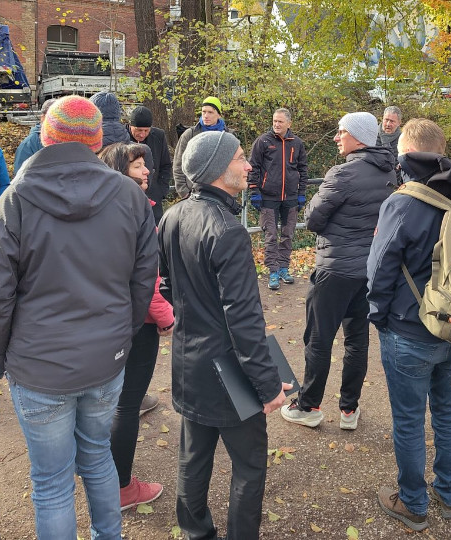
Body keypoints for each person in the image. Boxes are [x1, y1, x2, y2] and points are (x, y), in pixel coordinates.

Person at [0, 95, 159, 538]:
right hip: (105, 357)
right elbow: (143, 280)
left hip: (38, 364)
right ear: (97, 141)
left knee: (52, 480)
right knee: (97, 456)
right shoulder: (130, 196)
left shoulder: (17, 198)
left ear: (45, 136)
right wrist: (122, 337)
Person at [158, 131, 290, 540]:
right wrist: (268, 386)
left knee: (193, 455)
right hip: (228, 372)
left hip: (188, 363)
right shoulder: (228, 230)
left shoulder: (173, 215)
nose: (249, 165)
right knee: (249, 465)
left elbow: (166, 286)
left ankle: (195, 532)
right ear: (217, 169)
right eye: (239, 158)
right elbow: (244, 320)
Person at [367, 118, 451, 531]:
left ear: (406, 153)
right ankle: (450, 495)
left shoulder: (403, 202)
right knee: (448, 411)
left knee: (409, 419)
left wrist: (378, 314)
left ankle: (413, 502)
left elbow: (380, 267)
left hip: (410, 328)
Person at [280, 112, 395, 430]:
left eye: (341, 131)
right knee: (357, 340)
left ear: (357, 137)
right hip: (367, 271)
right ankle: (349, 409)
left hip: (334, 270)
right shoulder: (389, 172)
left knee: (319, 339)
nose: (336, 137)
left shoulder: (342, 174)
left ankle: (309, 406)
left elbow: (313, 218)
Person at [98, 142, 174, 508]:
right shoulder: (134, 210)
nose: (147, 171)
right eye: (138, 166)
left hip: (105, 319)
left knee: (106, 401)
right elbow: (144, 277)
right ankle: (122, 488)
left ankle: (98, 472)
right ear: (119, 172)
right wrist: (166, 317)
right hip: (136, 321)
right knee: (126, 405)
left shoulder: (99, 208)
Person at [248, 108, 309, 290]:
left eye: (280, 121)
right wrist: (254, 191)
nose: (276, 124)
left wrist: (301, 193)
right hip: (268, 197)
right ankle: (273, 271)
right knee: (271, 235)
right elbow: (253, 167)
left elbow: (303, 169)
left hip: (290, 197)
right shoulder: (263, 141)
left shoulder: (297, 143)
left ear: (289, 123)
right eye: (274, 121)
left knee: (288, 234)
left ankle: (283, 267)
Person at [173, 96, 228, 198]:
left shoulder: (228, 136)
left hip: (221, 193)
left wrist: (231, 193)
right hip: (194, 193)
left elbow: (234, 165)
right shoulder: (190, 134)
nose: (206, 116)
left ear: (219, 115)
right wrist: (184, 192)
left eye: (210, 112)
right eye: (204, 112)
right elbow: (178, 164)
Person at [129, 105, 174, 224]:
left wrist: (161, 191)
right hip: (129, 196)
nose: (142, 134)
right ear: (130, 125)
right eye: (139, 130)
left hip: (154, 196)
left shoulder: (159, 136)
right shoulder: (122, 136)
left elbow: (165, 165)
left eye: (146, 130)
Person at [13, 98, 56, 175]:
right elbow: (21, 177)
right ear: (43, 118)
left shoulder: (67, 140)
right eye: (53, 117)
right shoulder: (28, 145)